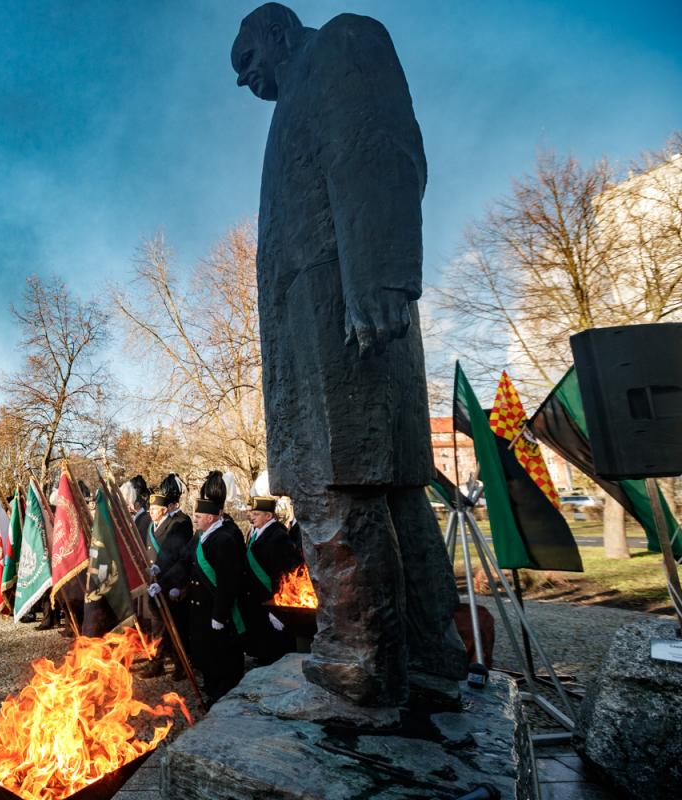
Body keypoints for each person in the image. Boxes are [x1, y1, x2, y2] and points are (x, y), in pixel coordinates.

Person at [231, 3, 465, 704]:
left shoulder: (342, 45)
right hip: (330, 307)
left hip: (342, 306)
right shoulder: (296, 92)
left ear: (274, 32)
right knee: (387, 487)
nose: (245, 82)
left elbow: (381, 149)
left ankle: (359, 651)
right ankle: (426, 648)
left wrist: (380, 276)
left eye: (247, 62)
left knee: (340, 478)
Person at [183, 470, 247, 704]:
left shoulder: (225, 538)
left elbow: (228, 581)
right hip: (201, 608)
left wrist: (220, 614)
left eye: (199, 515)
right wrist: (161, 578)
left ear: (211, 517)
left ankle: (223, 694)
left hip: (215, 608)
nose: (196, 519)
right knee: (206, 652)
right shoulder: (202, 536)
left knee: (222, 654)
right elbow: (184, 559)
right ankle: (212, 687)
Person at [242, 489, 305, 666]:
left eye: (256, 514)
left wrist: (279, 609)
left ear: (268, 516)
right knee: (264, 643)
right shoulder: (255, 532)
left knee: (278, 648)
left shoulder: (278, 536)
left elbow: (285, 575)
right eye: (251, 513)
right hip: (258, 600)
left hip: (272, 600)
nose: (251, 517)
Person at [143, 474, 193, 678]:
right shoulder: (152, 525)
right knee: (159, 626)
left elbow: (180, 557)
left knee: (173, 626)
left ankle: (177, 663)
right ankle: (161, 661)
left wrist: (174, 584)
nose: (151, 512)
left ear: (165, 508)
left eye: (154, 509)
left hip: (170, 582)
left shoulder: (179, 523)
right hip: (155, 583)